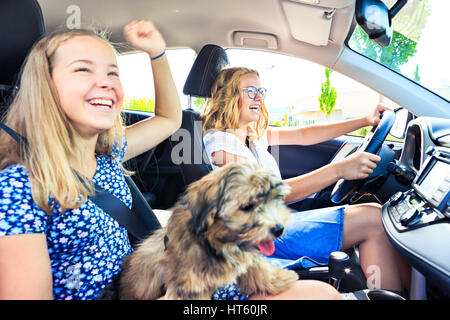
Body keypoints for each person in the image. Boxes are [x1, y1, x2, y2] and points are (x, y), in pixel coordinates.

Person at [0, 21, 341, 301]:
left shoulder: (106, 154)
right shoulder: (18, 187)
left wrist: (157, 53)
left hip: (165, 281)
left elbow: (168, 118)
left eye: (113, 73)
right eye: (83, 70)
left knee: (320, 294)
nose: (104, 82)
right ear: (44, 87)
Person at [202, 67, 410, 293]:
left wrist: (363, 121)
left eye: (261, 90)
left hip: (275, 221)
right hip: (254, 237)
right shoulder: (220, 144)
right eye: (250, 91)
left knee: (376, 214)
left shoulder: (250, 135)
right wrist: (340, 170)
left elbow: (304, 135)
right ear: (229, 96)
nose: (259, 97)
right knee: (374, 219)